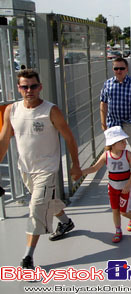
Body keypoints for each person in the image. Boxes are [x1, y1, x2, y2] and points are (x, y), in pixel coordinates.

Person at [0, 69, 82, 269]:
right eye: (25, 86)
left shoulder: (51, 110)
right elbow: (3, 140)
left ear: (40, 87)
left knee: (36, 208)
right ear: (18, 88)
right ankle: (65, 222)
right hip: (26, 169)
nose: (29, 90)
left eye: (33, 86)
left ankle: (27, 258)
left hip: (47, 170)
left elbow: (69, 137)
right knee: (48, 201)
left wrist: (75, 165)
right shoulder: (12, 110)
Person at [81, 126, 131, 243]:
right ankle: (118, 231)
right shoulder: (106, 155)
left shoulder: (127, 154)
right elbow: (95, 168)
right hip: (113, 187)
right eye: (121, 141)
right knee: (115, 210)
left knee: (123, 211)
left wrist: (128, 184)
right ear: (113, 143)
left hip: (125, 188)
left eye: (124, 141)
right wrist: (81, 172)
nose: (124, 143)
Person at [100, 57, 131, 176]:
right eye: (116, 68)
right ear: (113, 69)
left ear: (127, 69)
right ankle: (114, 167)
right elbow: (103, 103)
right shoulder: (108, 84)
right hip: (113, 121)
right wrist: (103, 122)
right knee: (112, 148)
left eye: (121, 68)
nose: (119, 71)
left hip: (130, 121)